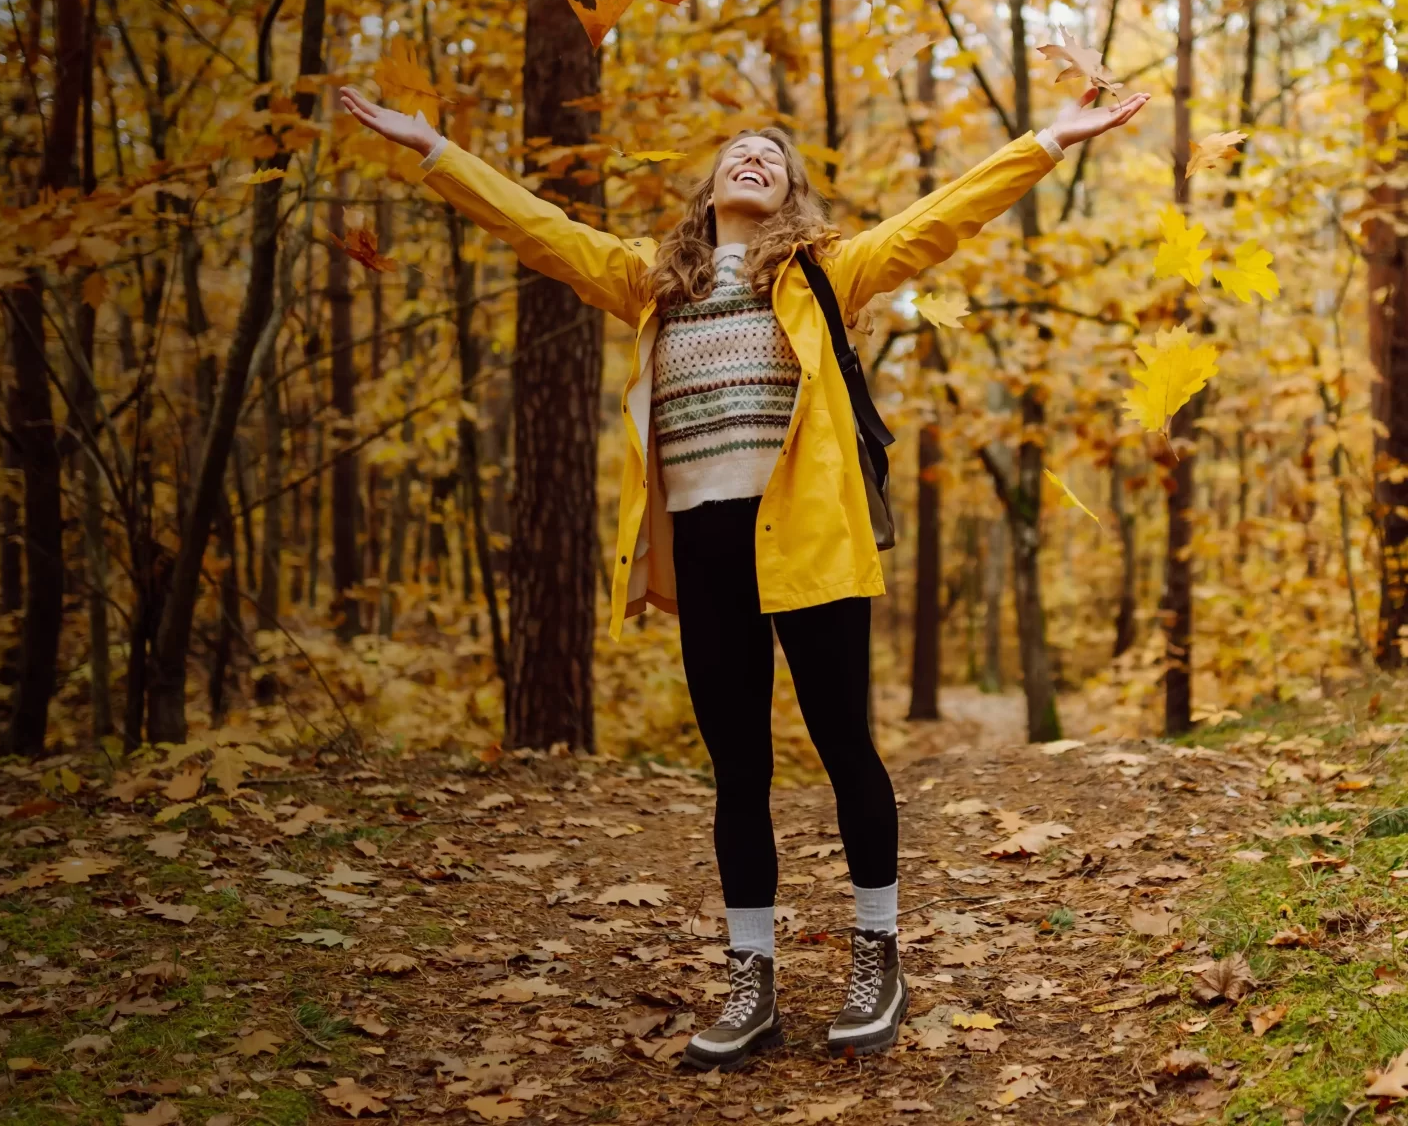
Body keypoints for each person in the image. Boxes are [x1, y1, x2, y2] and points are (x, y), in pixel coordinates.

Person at [339, 79, 1149, 1067]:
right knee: (737, 773)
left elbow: (941, 218)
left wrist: (1045, 142)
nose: (750, 159)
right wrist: (433, 149)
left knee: (845, 749)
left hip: (808, 545)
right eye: (735, 154)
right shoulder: (652, 284)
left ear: (793, 191)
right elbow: (539, 227)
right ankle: (749, 978)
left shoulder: (825, 275)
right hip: (704, 551)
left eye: (770, 155)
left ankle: (876, 950)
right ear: (710, 188)